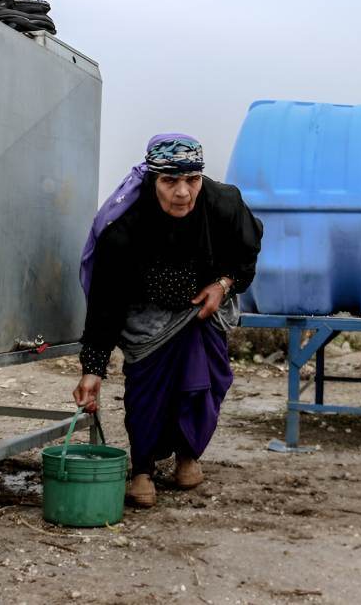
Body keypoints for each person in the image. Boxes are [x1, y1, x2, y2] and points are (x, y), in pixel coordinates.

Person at [74, 133, 262, 507]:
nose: (182, 192)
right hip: (147, 315)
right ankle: (142, 468)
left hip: (204, 306)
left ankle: (188, 456)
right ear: (151, 179)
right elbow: (106, 302)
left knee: (204, 383)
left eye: (191, 180)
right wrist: (92, 369)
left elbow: (247, 251)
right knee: (147, 391)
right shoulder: (124, 227)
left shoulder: (224, 203)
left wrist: (223, 285)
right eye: (170, 181)